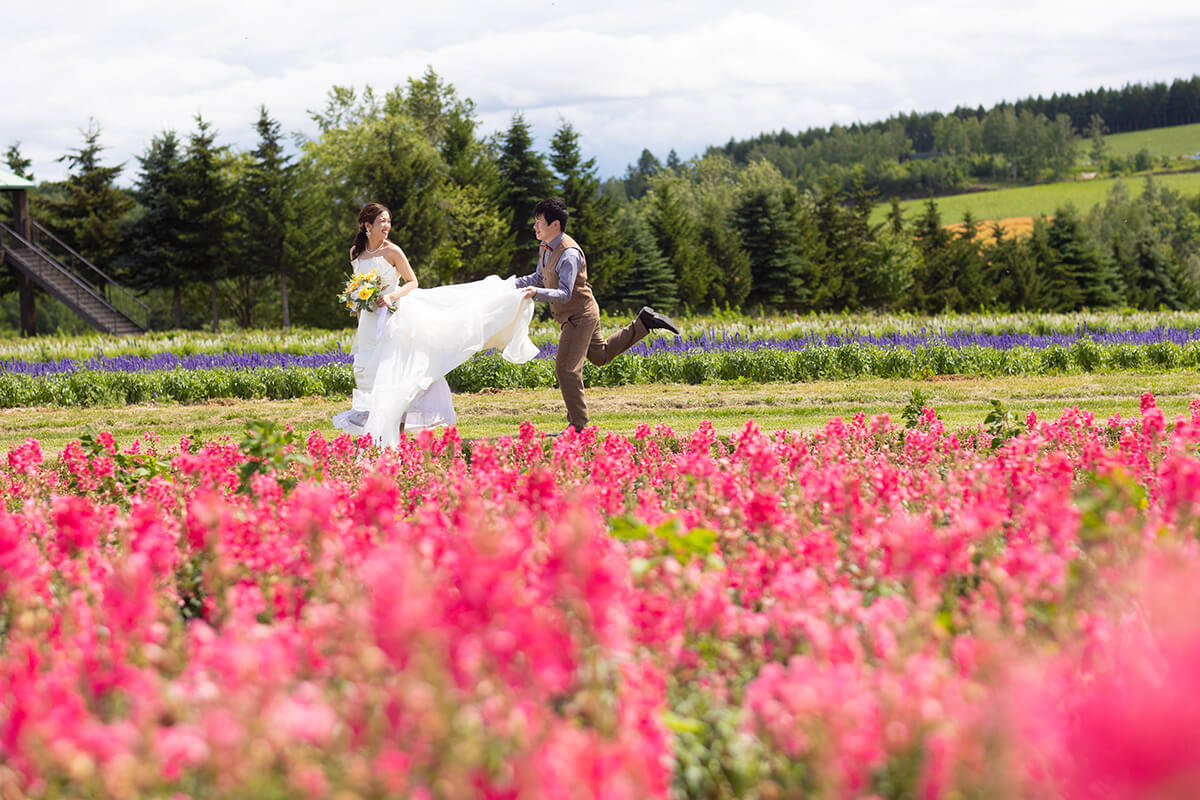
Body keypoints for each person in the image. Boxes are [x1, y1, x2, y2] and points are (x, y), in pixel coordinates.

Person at [332, 202, 538, 447]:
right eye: (381, 222)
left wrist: (391, 297)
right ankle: (382, 434)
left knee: (397, 376)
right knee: (373, 377)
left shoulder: (393, 251)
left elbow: (412, 282)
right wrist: (360, 309)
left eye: (388, 221)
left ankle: (392, 436)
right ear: (367, 225)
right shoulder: (356, 252)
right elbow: (358, 289)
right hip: (368, 323)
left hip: (394, 319)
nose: (387, 225)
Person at [514, 197, 680, 433]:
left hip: (579, 316)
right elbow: (538, 278)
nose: (535, 226)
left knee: (566, 369)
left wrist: (534, 294)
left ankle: (578, 427)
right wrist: (509, 285)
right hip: (582, 312)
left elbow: (564, 293)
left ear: (555, 225)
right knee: (600, 356)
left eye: (539, 222)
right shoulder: (546, 248)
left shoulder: (569, 253)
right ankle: (643, 322)